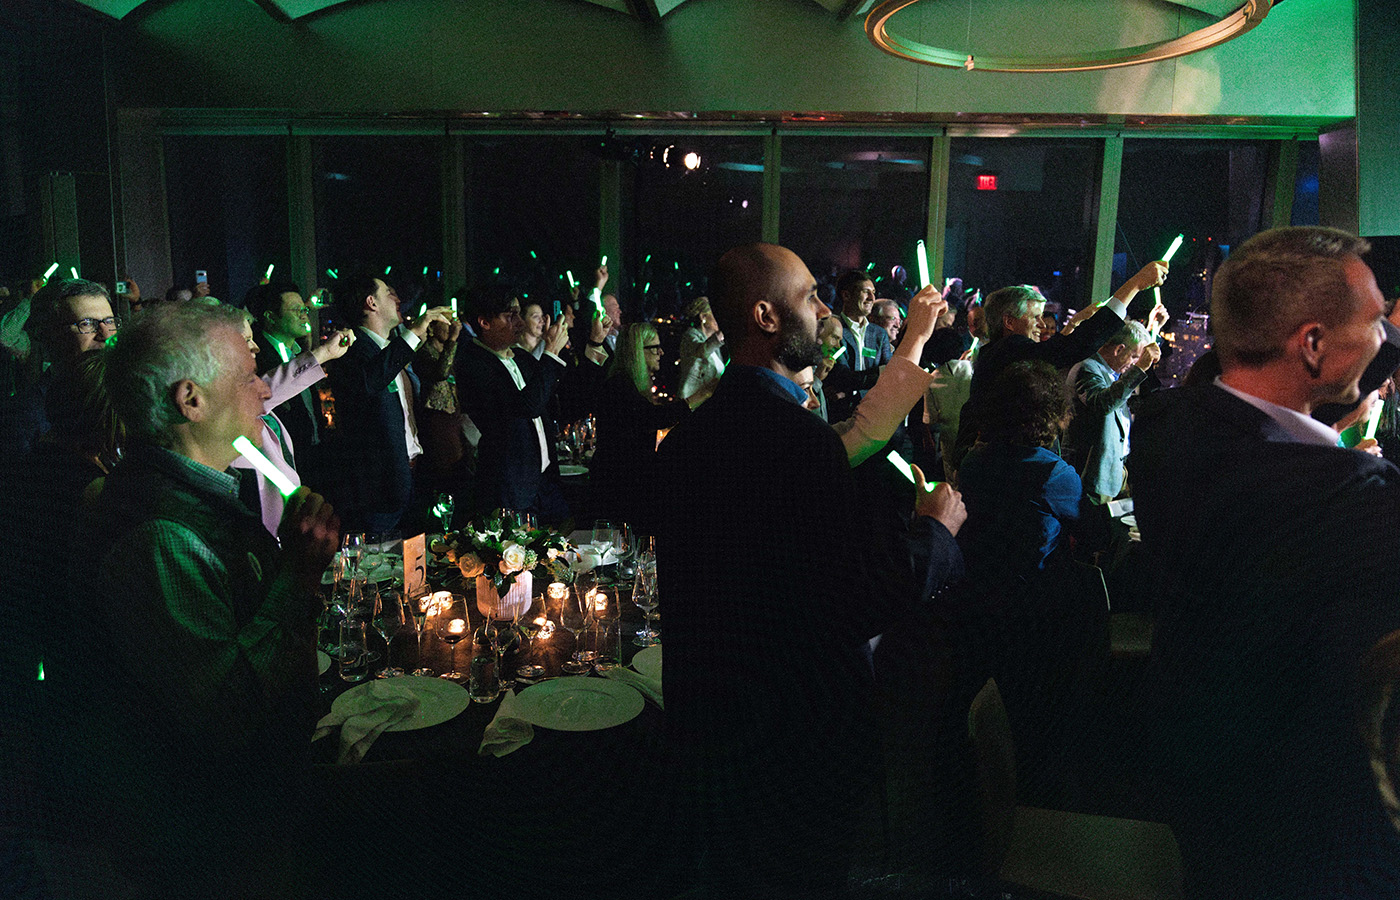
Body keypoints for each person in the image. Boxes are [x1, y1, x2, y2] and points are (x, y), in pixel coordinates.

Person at [655, 242, 966, 896]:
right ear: (767, 316)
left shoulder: (689, 440)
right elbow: (858, 599)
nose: (822, 309)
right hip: (798, 740)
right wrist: (936, 533)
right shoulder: (799, 444)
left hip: (708, 725)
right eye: (808, 296)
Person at [1128, 226, 1400, 897]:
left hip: (1196, 754)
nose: (1384, 339)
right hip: (1289, 814)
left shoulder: (1171, 423)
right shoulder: (1330, 499)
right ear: (1311, 343)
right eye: (1375, 322)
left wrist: (1330, 434)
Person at [42, 301, 338, 898]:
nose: (262, 387)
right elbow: (225, 714)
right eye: (246, 374)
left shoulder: (199, 495)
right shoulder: (159, 535)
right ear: (191, 400)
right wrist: (297, 577)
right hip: (209, 844)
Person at [324, 273, 453, 534]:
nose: (398, 298)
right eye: (389, 293)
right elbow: (371, 381)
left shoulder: (392, 349)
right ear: (371, 303)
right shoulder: (349, 349)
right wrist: (415, 330)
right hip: (379, 488)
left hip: (412, 476)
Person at [455, 283, 571, 521]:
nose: (519, 322)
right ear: (484, 323)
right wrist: (550, 353)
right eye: (510, 316)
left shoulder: (519, 356)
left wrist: (593, 344)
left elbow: (558, 393)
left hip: (544, 481)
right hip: (511, 487)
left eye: (519, 314)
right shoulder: (474, 364)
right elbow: (527, 406)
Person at [591, 322, 694, 531]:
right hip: (619, 484)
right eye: (655, 347)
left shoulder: (632, 384)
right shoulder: (620, 384)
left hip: (627, 480)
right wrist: (703, 394)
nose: (661, 352)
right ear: (638, 351)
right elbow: (652, 417)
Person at [675, 295, 724, 402]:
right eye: (715, 314)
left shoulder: (716, 346)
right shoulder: (690, 336)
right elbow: (701, 352)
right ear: (703, 317)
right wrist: (721, 334)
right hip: (690, 404)